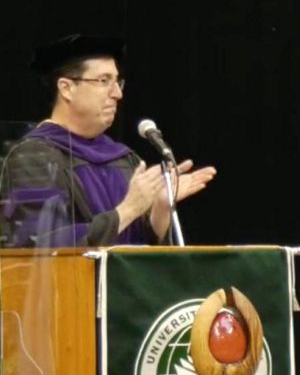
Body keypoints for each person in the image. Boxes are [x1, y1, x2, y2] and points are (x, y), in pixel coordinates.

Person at [0, 34, 215, 247]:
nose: (118, 93)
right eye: (104, 81)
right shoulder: (33, 157)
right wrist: (127, 210)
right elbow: (38, 247)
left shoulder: (123, 158)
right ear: (66, 88)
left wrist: (160, 209)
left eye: (117, 81)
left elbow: (141, 244)